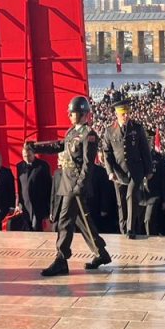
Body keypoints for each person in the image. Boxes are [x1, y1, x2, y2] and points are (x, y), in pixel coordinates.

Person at [32, 96, 112, 276]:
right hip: (67, 183)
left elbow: (87, 164)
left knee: (64, 221)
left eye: (72, 112)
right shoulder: (71, 132)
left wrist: (80, 185)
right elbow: (58, 146)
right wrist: (36, 147)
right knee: (83, 222)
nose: (69, 115)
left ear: (83, 113)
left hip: (75, 185)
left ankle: (61, 259)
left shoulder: (88, 135)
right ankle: (101, 253)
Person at [101, 96, 152, 239]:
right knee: (121, 202)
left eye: (128, 113)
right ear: (116, 114)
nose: (126, 116)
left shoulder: (137, 128)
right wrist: (110, 171)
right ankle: (123, 229)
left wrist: (148, 170)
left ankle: (130, 229)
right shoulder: (109, 131)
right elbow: (107, 153)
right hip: (119, 172)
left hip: (136, 170)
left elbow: (144, 150)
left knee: (131, 196)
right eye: (123, 113)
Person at [15, 143, 52, 231]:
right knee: (27, 228)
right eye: (24, 156)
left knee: (36, 227)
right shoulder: (20, 166)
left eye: (29, 155)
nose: (27, 158)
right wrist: (18, 203)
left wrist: (49, 205)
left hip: (38, 203)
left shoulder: (43, 166)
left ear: (34, 154)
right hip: (26, 204)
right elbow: (19, 186)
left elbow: (48, 185)